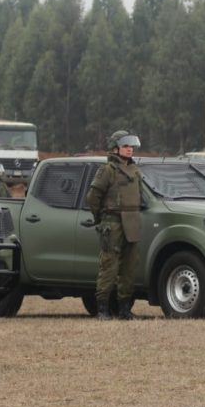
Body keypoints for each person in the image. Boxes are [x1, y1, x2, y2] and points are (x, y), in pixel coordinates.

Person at [86, 130, 142, 320]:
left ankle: (125, 309)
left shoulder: (135, 170)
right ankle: (102, 308)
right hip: (113, 222)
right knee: (109, 266)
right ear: (116, 148)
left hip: (132, 222)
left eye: (131, 146)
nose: (129, 149)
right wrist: (99, 219)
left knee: (128, 268)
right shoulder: (107, 170)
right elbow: (93, 197)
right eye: (125, 146)